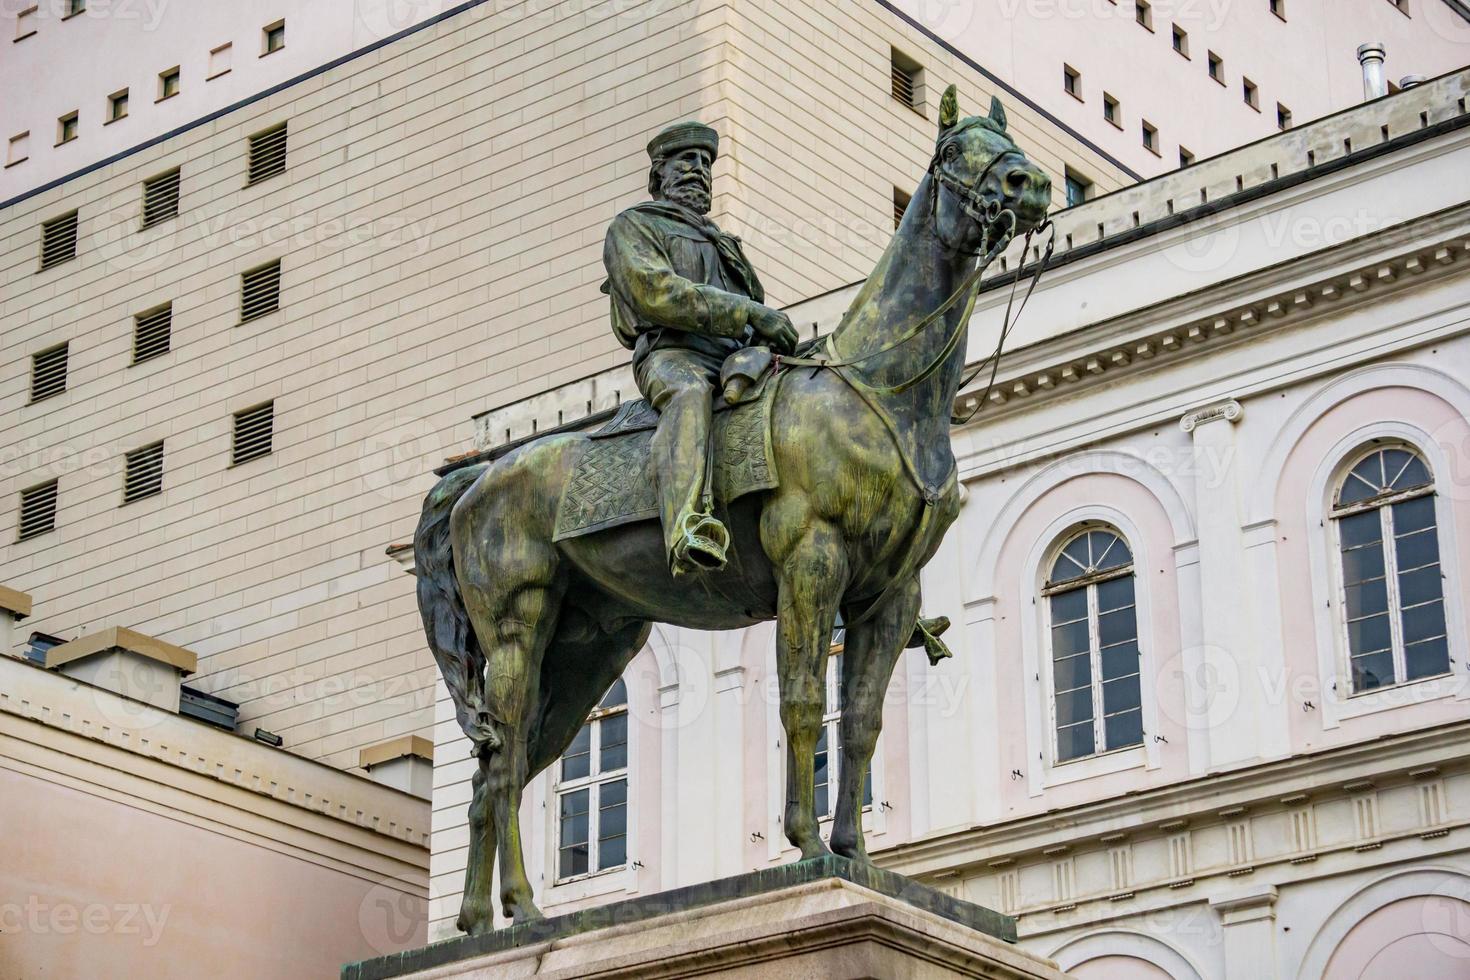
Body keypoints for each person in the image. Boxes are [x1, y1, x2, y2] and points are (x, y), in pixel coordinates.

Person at [602, 121, 799, 576]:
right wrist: (748, 313)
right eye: (686, 161)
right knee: (689, 396)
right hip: (674, 355)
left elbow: (755, 312)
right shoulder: (635, 226)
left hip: (734, 358)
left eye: (706, 163)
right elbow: (657, 292)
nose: (699, 170)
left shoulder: (725, 243)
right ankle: (686, 524)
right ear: (659, 175)